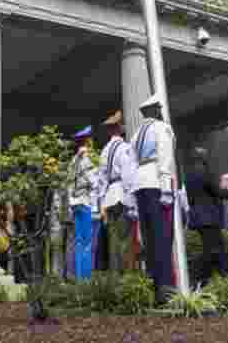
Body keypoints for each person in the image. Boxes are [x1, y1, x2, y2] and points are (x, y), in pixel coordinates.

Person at [129, 93, 177, 305]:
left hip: (140, 183)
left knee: (149, 238)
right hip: (156, 183)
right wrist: (166, 188)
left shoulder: (136, 134)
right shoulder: (162, 128)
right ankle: (166, 288)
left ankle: (155, 285)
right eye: (159, 108)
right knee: (163, 236)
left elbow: (130, 165)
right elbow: (165, 157)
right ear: (156, 110)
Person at [185, 150, 228, 286]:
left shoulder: (188, 176)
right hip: (208, 217)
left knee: (210, 249)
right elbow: (217, 191)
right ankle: (223, 277)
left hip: (197, 217)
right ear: (203, 159)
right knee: (217, 249)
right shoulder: (205, 172)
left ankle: (204, 278)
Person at [96, 111, 135, 274]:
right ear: (120, 128)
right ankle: (127, 278)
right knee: (125, 239)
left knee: (113, 241)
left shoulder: (104, 151)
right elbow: (127, 175)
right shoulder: (125, 148)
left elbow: (101, 180)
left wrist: (101, 202)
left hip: (109, 197)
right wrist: (132, 199)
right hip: (121, 195)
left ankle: (115, 278)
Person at [67, 126, 97, 281]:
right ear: (87, 141)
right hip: (85, 201)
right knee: (86, 242)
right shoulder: (86, 159)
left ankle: (79, 277)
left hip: (74, 202)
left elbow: (69, 182)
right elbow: (94, 182)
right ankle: (85, 279)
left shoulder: (73, 161)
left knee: (78, 242)